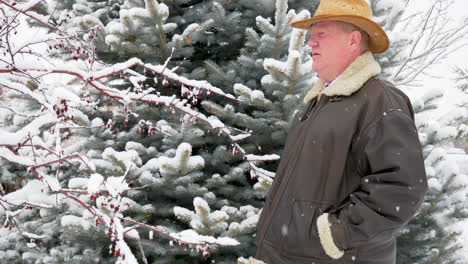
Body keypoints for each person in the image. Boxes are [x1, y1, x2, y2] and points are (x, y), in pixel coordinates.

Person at [254, 0, 428, 263]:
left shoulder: (381, 103)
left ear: (353, 40)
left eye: (322, 35)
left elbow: (402, 188)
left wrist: (337, 233)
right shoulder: (316, 104)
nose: (311, 43)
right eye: (311, 36)